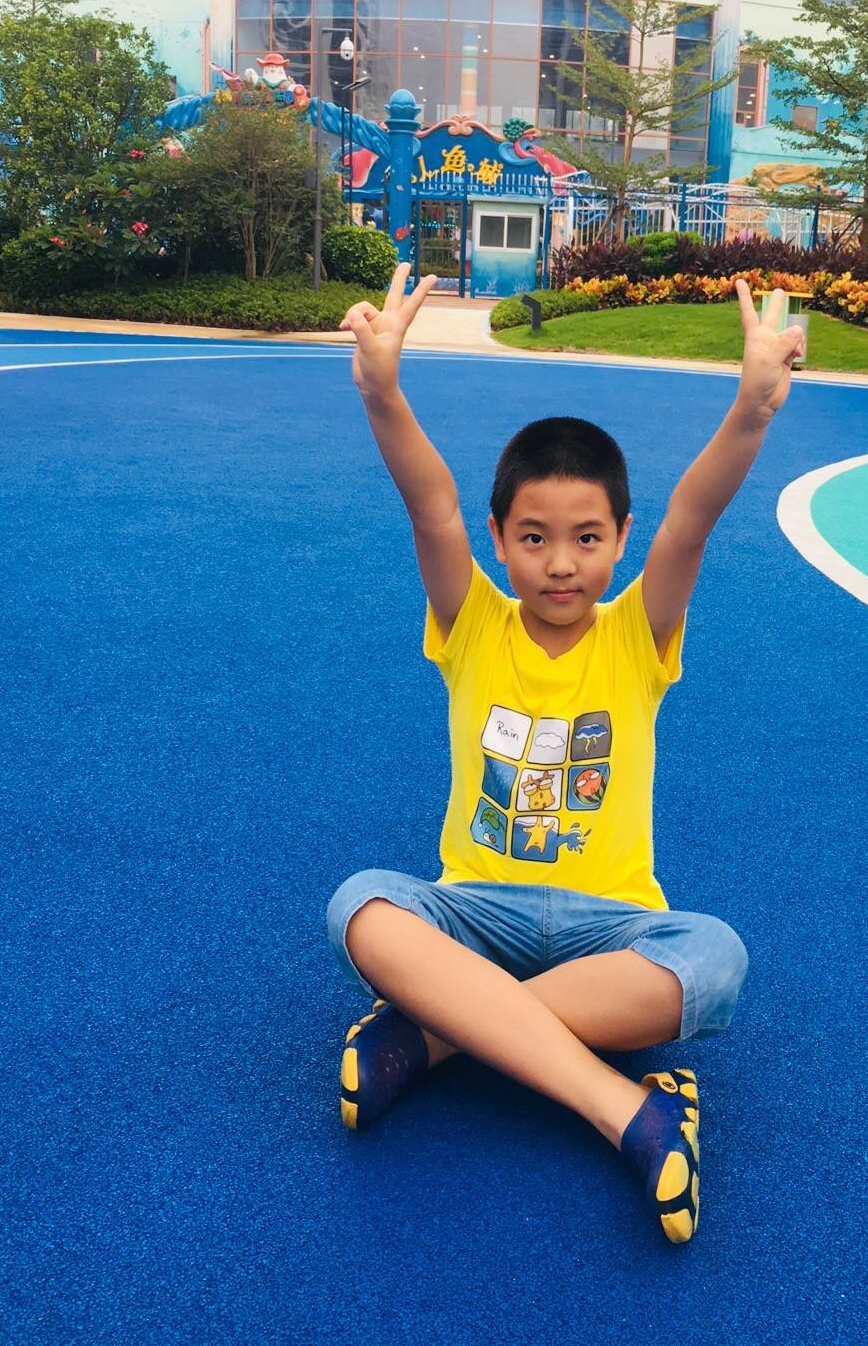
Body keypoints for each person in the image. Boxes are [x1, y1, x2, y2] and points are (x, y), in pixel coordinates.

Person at [327, 263, 805, 1243]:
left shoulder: (637, 634)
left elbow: (692, 522)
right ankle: (628, 1108)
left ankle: (436, 1038)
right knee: (361, 908)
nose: (559, 563)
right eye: (534, 537)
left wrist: (752, 411)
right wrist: (382, 394)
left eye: (587, 539)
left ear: (621, 539)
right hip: (473, 910)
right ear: (499, 540)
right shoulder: (472, 624)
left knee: (715, 958)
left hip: (613, 926)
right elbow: (430, 507)